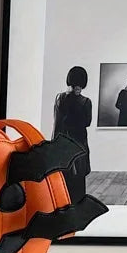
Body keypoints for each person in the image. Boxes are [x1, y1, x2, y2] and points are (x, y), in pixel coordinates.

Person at [53, 66, 92, 199]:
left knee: (63, 186)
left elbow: (57, 124)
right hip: (79, 146)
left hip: (63, 146)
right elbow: (87, 122)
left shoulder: (60, 99)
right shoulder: (85, 102)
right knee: (78, 187)